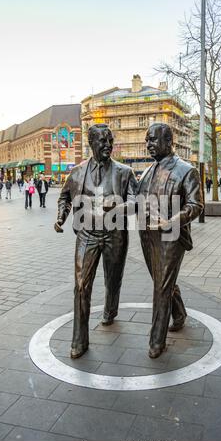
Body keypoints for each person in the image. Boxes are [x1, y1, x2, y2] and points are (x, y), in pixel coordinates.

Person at [54, 124, 137, 359]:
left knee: (113, 280)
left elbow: (137, 201)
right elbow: (64, 197)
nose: (108, 145)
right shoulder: (77, 172)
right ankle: (80, 340)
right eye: (102, 141)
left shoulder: (124, 173)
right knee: (81, 286)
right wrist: (61, 216)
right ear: (91, 143)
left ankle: (111, 310)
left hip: (115, 234)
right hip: (87, 234)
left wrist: (119, 206)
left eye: (110, 141)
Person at [138, 123, 203, 359]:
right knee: (162, 280)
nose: (148, 145)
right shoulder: (147, 171)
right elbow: (138, 201)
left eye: (152, 140)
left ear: (168, 141)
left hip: (172, 236)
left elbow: (196, 206)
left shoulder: (186, 171)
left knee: (161, 286)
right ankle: (180, 314)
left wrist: (171, 221)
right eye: (147, 141)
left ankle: (157, 341)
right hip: (147, 234)